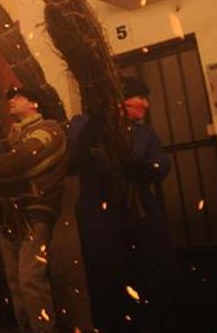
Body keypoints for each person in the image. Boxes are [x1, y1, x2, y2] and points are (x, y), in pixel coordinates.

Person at [70, 76, 179, 332]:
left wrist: (139, 169)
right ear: (119, 99)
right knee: (108, 278)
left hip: (140, 212)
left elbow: (161, 165)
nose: (145, 104)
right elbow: (74, 159)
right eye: (139, 97)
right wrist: (97, 122)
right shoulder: (85, 124)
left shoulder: (144, 132)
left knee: (158, 271)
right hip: (101, 216)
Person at [0, 87, 66, 333]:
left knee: (30, 279)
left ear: (34, 103)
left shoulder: (48, 129)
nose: (12, 101)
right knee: (15, 279)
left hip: (35, 209)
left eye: (18, 96)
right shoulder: (8, 138)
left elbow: (24, 158)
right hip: (8, 214)